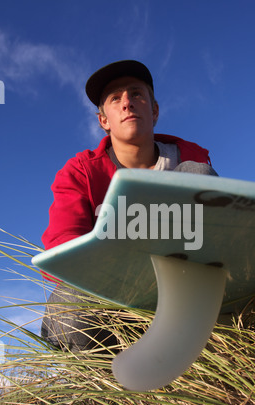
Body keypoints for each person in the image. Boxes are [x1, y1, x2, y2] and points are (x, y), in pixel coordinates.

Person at [41, 60, 218, 352]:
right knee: (67, 310)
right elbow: (61, 250)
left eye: (136, 94)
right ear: (103, 120)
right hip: (114, 301)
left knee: (197, 176)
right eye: (115, 98)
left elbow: (226, 233)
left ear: (154, 110)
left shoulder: (194, 161)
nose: (127, 103)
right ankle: (108, 387)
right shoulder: (79, 173)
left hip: (189, 293)